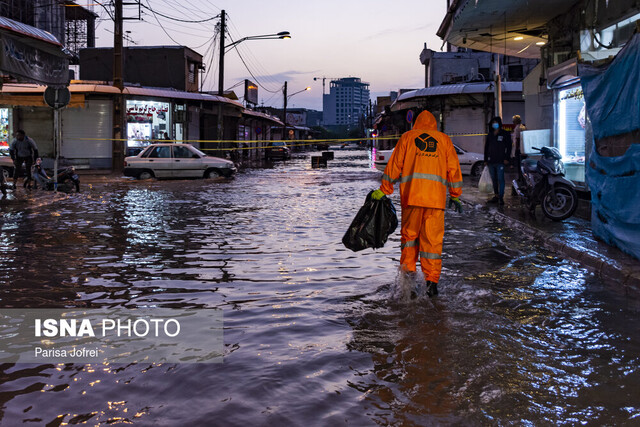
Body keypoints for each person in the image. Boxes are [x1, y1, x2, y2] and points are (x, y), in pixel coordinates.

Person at [371, 110, 463, 298]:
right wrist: (455, 195)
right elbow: (454, 168)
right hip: (435, 202)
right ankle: (432, 284)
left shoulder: (408, 137)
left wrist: (385, 188)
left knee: (410, 240)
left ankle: (408, 285)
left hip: (412, 199)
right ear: (434, 124)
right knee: (432, 244)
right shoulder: (444, 140)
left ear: (416, 123)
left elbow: (394, 164)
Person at [483, 117, 512, 205]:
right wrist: (485, 159)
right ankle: (496, 196)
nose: (494, 124)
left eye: (496, 122)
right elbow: (486, 147)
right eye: (493, 123)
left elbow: (509, 147)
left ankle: (501, 197)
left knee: (500, 179)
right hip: (491, 161)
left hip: (501, 161)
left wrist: (507, 158)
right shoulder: (490, 135)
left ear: (499, 123)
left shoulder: (505, 134)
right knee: (494, 179)